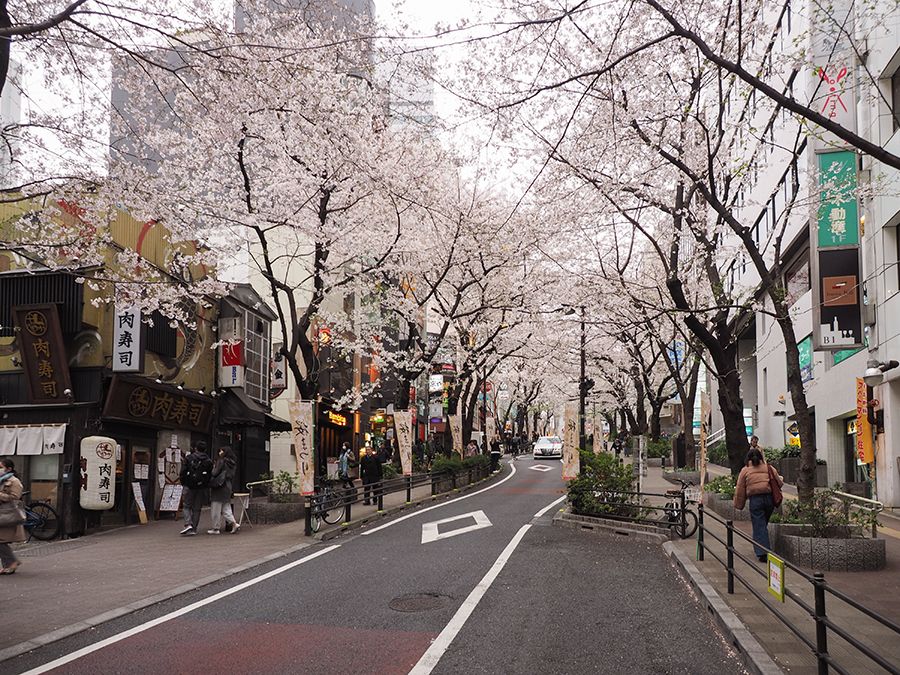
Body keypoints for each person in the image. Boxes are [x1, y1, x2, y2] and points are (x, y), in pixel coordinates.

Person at [733, 448, 784, 562]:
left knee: (759, 525)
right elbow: (779, 483)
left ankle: (763, 552)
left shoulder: (745, 471)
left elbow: (740, 489)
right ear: (761, 457)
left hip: (755, 500)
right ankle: (763, 548)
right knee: (762, 524)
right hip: (769, 499)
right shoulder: (769, 468)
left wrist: (738, 504)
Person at [179, 441, 213, 536]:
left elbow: (182, 472)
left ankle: (188, 524)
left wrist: (183, 483)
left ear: (195, 448)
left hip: (189, 486)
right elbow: (211, 474)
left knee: (186, 506)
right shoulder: (208, 460)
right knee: (197, 508)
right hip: (202, 487)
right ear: (205, 449)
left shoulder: (189, 458)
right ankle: (194, 529)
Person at [0, 458, 25, 574]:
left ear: (8, 468)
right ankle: (10, 563)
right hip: (2, 514)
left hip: (7, 515)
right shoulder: (1, 480)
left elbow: (15, 497)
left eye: (1, 467)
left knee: (1, 540)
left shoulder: (14, 481)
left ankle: (11, 563)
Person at [207, 446, 238, 535]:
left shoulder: (221, 461)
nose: (219, 452)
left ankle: (215, 528)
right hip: (227, 485)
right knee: (226, 508)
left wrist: (213, 467)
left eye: (221, 450)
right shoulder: (232, 463)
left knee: (215, 508)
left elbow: (214, 473)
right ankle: (234, 523)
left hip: (219, 486)